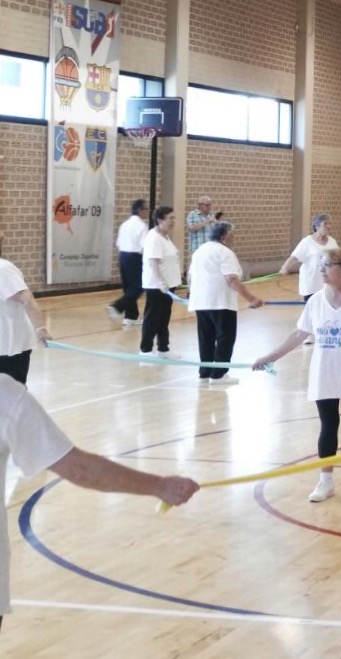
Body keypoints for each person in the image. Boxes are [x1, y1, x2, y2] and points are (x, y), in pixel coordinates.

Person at [0, 377, 199, 626]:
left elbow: (79, 469)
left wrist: (159, 486)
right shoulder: (6, 395)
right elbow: (78, 469)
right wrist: (159, 486)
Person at [253, 248, 341, 506]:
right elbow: (299, 334)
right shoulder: (316, 301)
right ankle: (325, 480)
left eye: (328, 264)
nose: (322, 269)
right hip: (324, 372)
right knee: (328, 425)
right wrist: (270, 357)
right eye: (322, 265)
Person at [188, 221, 264, 385]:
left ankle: (205, 372)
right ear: (224, 237)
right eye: (232, 235)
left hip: (201, 302)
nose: (233, 238)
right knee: (225, 338)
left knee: (206, 338)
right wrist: (251, 298)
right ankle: (219, 374)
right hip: (220, 302)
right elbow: (232, 279)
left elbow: (190, 277)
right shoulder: (225, 252)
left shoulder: (200, 250)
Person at [0, 252, 50, 385]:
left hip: (10, 348)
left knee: (10, 393)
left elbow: (28, 299)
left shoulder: (3, 270)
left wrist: (40, 328)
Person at [138, 207, 180, 359]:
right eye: (170, 218)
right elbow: (153, 262)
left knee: (163, 318)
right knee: (153, 318)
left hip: (168, 286)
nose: (173, 221)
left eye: (174, 218)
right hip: (157, 287)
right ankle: (145, 350)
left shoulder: (165, 237)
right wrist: (161, 282)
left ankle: (163, 348)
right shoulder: (154, 237)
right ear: (160, 220)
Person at [279, 213, 339, 301]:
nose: (329, 226)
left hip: (327, 283)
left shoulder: (332, 242)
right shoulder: (307, 242)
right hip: (311, 283)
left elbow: (338, 259)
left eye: (330, 223)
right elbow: (294, 257)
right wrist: (285, 268)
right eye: (325, 224)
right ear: (317, 226)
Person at [108, 199, 148, 327]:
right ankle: (117, 307)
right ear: (140, 210)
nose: (147, 212)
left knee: (128, 288)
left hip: (123, 256)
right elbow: (144, 246)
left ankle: (130, 316)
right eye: (146, 209)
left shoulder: (124, 224)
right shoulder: (142, 226)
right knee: (138, 287)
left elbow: (119, 244)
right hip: (135, 257)